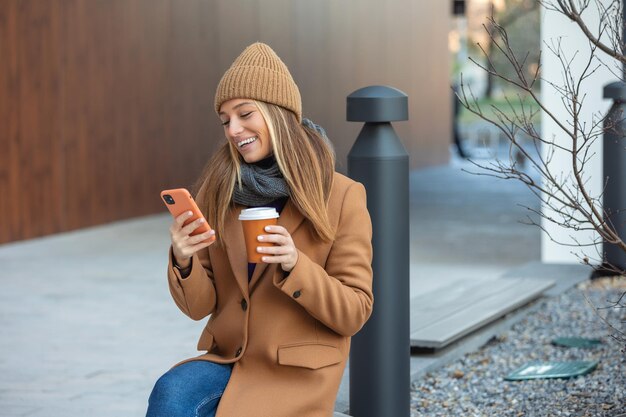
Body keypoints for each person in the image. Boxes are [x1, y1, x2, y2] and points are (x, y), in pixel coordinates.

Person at [146, 42, 374, 417]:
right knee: (172, 393)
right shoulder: (218, 189)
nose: (234, 129)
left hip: (295, 372)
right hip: (230, 361)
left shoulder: (342, 196)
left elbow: (354, 311)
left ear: (278, 114)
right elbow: (199, 307)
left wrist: (294, 264)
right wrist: (184, 261)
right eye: (225, 120)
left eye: (244, 113)